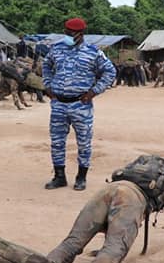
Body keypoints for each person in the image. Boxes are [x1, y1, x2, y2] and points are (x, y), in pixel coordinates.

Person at [42, 18, 116, 191]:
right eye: (65, 33)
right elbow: (46, 65)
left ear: (80, 34)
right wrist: (47, 85)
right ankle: (59, 177)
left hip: (81, 105)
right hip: (59, 104)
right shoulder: (56, 49)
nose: (66, 36)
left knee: (83, 143)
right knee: (57, 142)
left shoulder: (93, 52)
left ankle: (81, 177)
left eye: (70, 34)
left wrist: (94, 91)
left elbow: (110, 71)